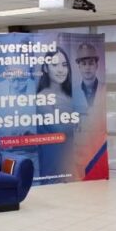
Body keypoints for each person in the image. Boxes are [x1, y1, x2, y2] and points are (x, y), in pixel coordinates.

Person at [37, 47, 76, 180]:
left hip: (73, 161)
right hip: (54, 165)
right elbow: (59, 130)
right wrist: (81, 122)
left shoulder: (72, 95)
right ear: (46, 69)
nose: (60, 70)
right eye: (54, 65)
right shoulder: (42, 97)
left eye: (64, 65)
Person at [73, 42, 103, 110]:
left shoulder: (104, 89)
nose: (87, 67)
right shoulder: (74, 93)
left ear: (96, 66)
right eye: (83, 64)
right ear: (79, 67)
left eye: (91, 63)